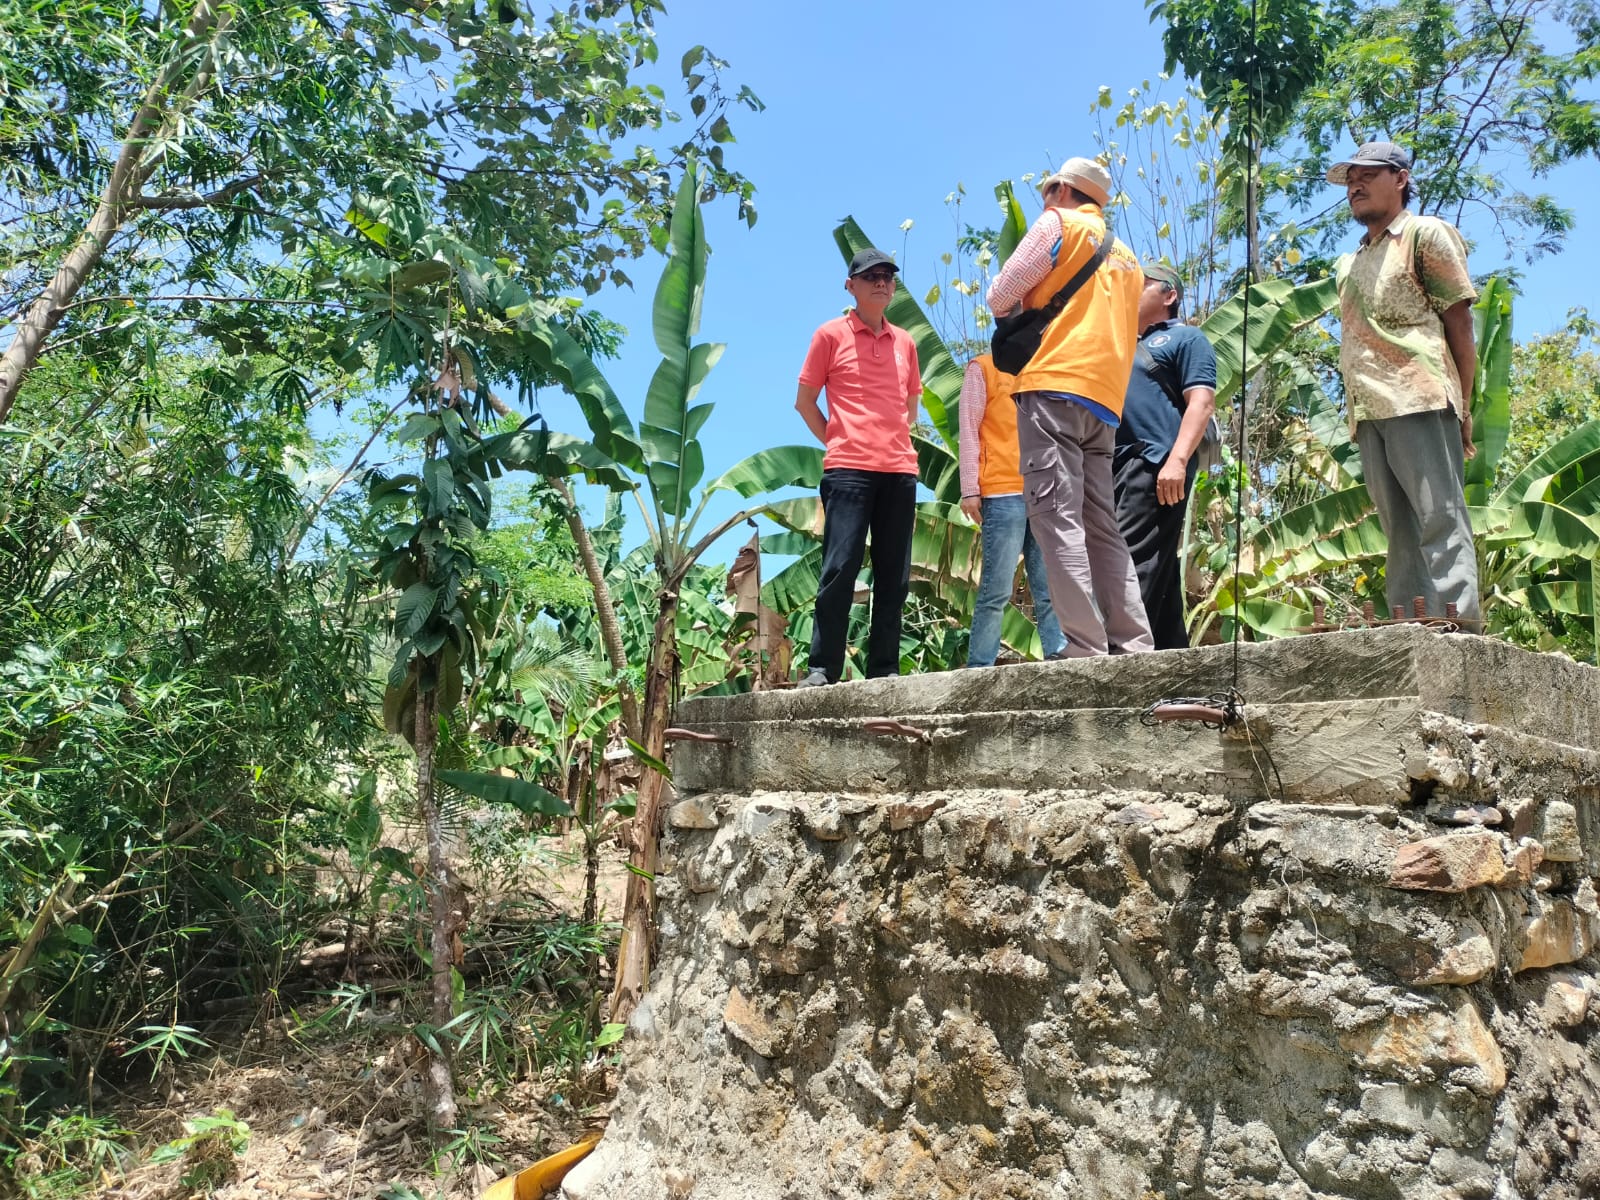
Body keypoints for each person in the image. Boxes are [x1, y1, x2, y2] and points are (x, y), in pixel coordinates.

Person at [985, 158, 1153, 657]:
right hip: (1103, 401)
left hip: (1053, 383)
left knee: (1055, 516)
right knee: (1102, 525)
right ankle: (1134, 643)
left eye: (1047, 190)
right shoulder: (1127, 256)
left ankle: (1084, 647)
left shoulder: (1057, 224)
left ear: (1062, 190)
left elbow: (1000, 295)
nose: (1043, 200)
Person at [1329, 141, 1481, 627]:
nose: (1355, 184)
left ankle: (1460, 624)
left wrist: (1464, 402)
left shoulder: (1424, 234)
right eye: (1351, 178)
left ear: (1399, 178)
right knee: (1398, 529)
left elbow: (1460, 324)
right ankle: (1413, 627)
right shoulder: (1350, 262)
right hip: (1368, 410)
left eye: (1368, 175)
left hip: (1419, 394)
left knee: (1440, 516)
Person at [793, 248, 922, 686]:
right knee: (840, 568)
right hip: (848, 469)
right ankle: (822, 668)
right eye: (871, 277)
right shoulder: (829, 335)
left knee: (894, 576)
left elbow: (911, 406)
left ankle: (884, 668)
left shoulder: (905, 341)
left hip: (899, 472)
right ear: (851, 286)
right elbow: (805, 403)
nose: (882, 283)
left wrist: (894, 442)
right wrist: (838, 438)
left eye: (887, 276)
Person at [1112, 263, 1217, 650]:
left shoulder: (1185, 339)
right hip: (1115, 463)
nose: (1129, 294)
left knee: (1128, 559)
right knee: (1156, 561)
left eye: (1140, 287)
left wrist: (1176, 460)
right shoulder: (1119, 346)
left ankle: (1118, 654)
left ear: (1169, 295)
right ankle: (1172, 651)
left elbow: (1202, 403)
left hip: (1154, 460)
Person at [957, 352, 1068, 665]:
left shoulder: (1045, 365)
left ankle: (1057, 654)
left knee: (1050, 586)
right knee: (997, 589)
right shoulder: (983, 367)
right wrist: (969, 489)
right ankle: (980, 665)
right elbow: (968, 427)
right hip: (1001, 490)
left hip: (1045, 489)